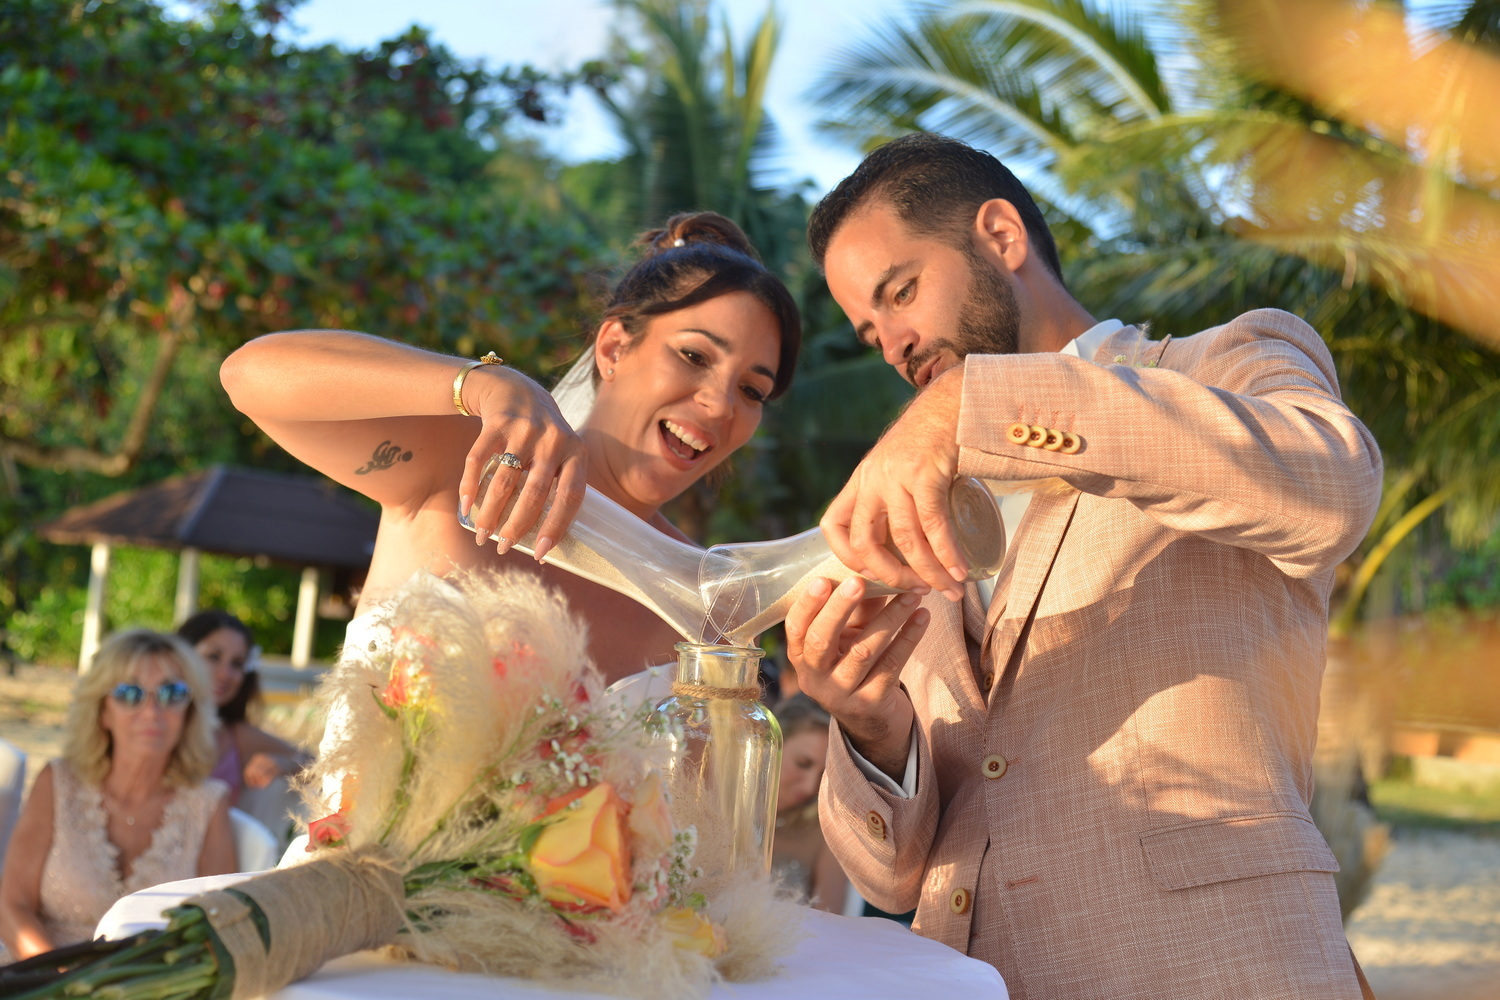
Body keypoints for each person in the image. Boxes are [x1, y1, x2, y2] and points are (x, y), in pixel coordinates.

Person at [784, 133, 1384, 999]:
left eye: (902, 292)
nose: (895, 345)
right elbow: (891, 877)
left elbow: (1336, 484)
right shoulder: (928, 508)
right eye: (871, 330)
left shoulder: (1222, 361)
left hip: (1215, 970)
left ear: (1000, 235)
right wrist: (872, 729)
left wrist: (977, 400)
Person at [220, 211, 800, 684]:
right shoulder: (465, 468)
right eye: (695, 357)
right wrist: (484, 383)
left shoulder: (704, 607)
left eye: (752, 390)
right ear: (614, 349)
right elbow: (249, 375)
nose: (722, 406)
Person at [0, 630, 236, 958]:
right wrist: (62, 981)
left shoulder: (208, 803)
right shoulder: (58, 782)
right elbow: (12, 905)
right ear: (103, 711)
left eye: (171, 692)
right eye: (129, 692)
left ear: (190, 710)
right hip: (43, 978)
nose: (152, 710)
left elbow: (223, 925)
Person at [177, 610, 310, 806]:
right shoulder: (151, 723)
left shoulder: (236, 736)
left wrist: (284, 764)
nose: (225, 674)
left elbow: (315, 764)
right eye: (213, 657)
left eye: (237, 663)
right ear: (182, 656)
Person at [769, 694, 848, 913]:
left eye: (824, 775)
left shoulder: (826, 831)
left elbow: (830, 921)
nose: (810, 787)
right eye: (803, 764)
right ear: (773, 742)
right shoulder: (717, 800)